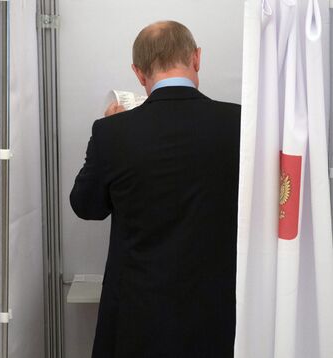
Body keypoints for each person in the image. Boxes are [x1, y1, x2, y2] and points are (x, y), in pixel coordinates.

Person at [70, 21, 240, 357]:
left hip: (136, 316)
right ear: (197, 58)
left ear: (138, 72)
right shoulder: (240, 125)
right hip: (216, 315)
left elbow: (86, 207)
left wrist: (107, 132)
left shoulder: (112, 133)